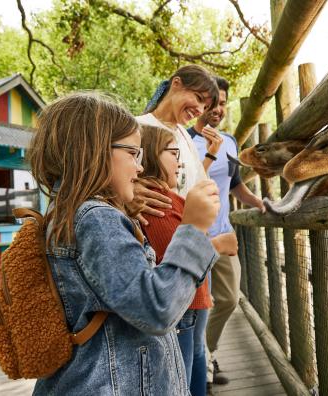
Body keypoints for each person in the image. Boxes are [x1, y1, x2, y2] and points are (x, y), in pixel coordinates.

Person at [27, 92, 221, 395]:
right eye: (133, 154)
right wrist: (194, 228)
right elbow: (157, 308)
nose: (140, 168)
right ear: (93, 152)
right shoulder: (95, 219)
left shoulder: (73, 214)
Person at [136, 123, 237, 396]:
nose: (180, 163)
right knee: (184, 371)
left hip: (192, 300)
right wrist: (218, 244)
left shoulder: (165, 197)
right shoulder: (157, 205)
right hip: (183, 308)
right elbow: (178, 257)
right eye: (173, 154)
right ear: (148, 156)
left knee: (195, 356)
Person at [187, 77, 265, 389]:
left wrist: (256, 201)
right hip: (194, 238)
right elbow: (184, 186)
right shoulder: (184, 140)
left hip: (224, 234)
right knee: (197, 305)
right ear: (200, 104)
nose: (218, 109)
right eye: (212, 103)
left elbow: (233, 184)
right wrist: (207, 153)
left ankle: (209, 350)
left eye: (222, 103)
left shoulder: (230, 142)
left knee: (230, 299)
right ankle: (201, 364)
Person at [135, 65, 224, 224]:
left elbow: (196, 184)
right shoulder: (136, 127)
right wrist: (130, 193)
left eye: (205, 107)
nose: (200, 111)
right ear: (176, 83)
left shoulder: (185, 136)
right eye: (198, 98)